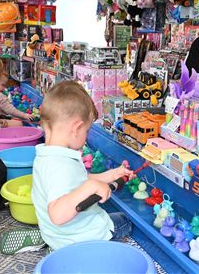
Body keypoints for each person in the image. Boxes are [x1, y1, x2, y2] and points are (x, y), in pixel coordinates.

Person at [32, 81, 134, 250]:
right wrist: (91, 185)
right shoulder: (60, 166)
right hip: (80, 238)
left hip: (58, 237)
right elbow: (57, 214)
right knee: (124, 221)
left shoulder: (46, 155)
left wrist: (111, 175)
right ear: (77, 128)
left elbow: (77, 181)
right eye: (86, 131)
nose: (86, 136)